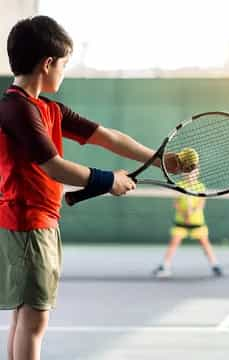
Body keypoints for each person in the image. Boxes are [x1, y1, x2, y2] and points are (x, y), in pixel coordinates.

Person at [0, 16, 171, 360]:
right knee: (33, 321)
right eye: (63, 64)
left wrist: (160, 159)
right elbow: (53, 166)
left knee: (25, 318)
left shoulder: (47, 109)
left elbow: (109, 138)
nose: (64, 71)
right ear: (48, 64)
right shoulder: (17, 108)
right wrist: (109, 181)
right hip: (27, 224)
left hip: (36, 223)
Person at [152, 169, 223, 278]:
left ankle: (215, 265)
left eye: (193, 173)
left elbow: (201, 204)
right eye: (188, 173)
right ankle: (164, 266)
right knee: (174, 243)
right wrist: (184, 214)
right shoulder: (179, 185)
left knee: (205, 243)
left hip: (197, 221)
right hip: (181, 221)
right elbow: (176, 203)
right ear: (183, 174)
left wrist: (192, 213)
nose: (190, 175)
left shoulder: (201, 187)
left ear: (197, 173)